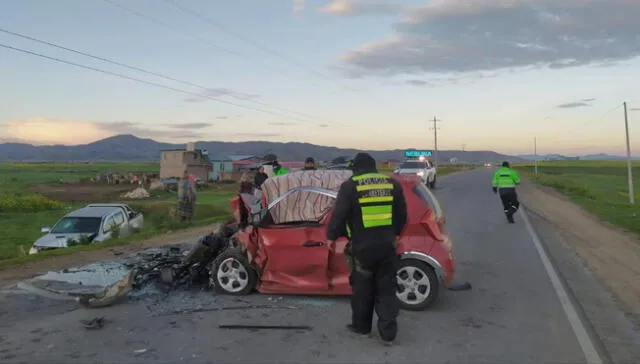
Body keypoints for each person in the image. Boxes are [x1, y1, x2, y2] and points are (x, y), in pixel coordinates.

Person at [326, 152, 407, 345]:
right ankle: (388, 333)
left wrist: (331, 236)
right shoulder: (392, 184)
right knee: (386, 290)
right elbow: (402, 214)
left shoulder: (350, 186)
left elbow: (339, 216)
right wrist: (394, 234)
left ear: (356, 168)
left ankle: (361, 327)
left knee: (363, 290)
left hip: (362, 248)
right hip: (387, 246)